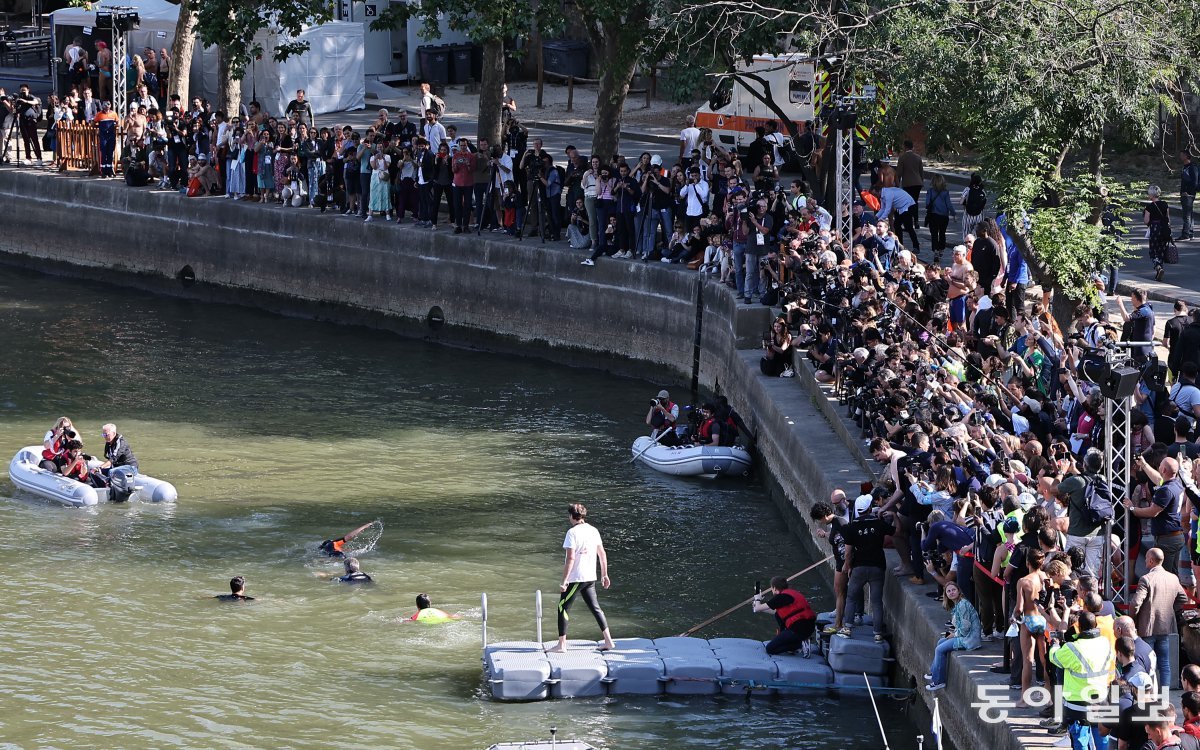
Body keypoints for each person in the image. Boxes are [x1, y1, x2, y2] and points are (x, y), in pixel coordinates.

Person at [550, 503, 616, 653]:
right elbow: (602, 554)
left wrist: (564, 580)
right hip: (590, 577)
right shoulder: (593, 530)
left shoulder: (572, 533)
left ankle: (561, 645)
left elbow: (571, 558)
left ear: (572, 517)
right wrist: (604, 574)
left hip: (576, 578)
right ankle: (608, 641)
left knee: (562, 608)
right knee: (595, 608)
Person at [1048, 610, 1115, 750]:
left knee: (1080, 740)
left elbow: (1054, 658)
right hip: (1101, 699)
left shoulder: (1072, 648)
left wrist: (1055, 644)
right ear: (1096, 625)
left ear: (1079, 627)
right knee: (1102, 736)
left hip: (1077, 704)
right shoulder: (1106, 643)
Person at [1130, 547, 1189, 689]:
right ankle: (1165, 696)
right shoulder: (1173, 578)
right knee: (1164, 663)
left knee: (1147, 663)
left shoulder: (1146, 579)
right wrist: (1170, 609)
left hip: (1147, 627)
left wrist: (1132, 619)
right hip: (1165, 626)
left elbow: (1136, 603)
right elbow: (1183, 598)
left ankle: (1150, 693)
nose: (1144, 561)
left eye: (1146, 559)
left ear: (1151, 560)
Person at [837, 489, 890, 642]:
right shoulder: (879, 524)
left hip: (859, 567)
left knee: (851, 597)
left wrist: (847, 566)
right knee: (876, 601)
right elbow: (896, 531)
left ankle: (847, 628)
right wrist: (893, 517)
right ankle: (878, 633)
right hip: (878, 566)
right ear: (869, 508)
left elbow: (848, 552)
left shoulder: (852, 527)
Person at [924, 581, 982, 691]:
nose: (951, 593)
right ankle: (934, 672)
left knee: (939, 650)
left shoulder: (963, 605)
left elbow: (965, 628)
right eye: (948, 591)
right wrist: (952, 634)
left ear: (959, 591)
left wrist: (954, 635)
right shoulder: (957, 604)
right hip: (964, 635)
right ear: (946, 594)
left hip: (969, 639)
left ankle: (939, 681)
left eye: (953, 590)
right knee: (940, 642)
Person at [752, 575, 817, 657]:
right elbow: (777, 612)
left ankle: (800, 644)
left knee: (770, 649)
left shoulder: (780, 597)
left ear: (774, 588)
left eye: (771, 588)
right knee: (778, 616)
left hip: (797, 629)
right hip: (808, 628)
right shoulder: (790, 594)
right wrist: (759, 607)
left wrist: (757, 598)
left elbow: (757, 608)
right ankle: (797, 644)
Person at [1145, 184, 1173, 280]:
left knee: (1153, 250)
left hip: (1155, 229)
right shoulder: (1165, 204)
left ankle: (1157, 266)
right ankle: (1159, 270)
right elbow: (1168, 218)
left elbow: (1146, 221)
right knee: (1161, 250)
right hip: (1164, 229)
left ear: (1151, 195)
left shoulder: (1149, 207)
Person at [1181, 151, 1198, 241]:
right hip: (1184, 194)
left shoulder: (1192, 167)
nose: (1180, 156)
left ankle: (1186, 234)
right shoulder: (1185, 167)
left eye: (1182, 155)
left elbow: (1194, 182)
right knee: (1189, 214)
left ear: (1187, 156)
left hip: (1189, 194)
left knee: (1187, 215)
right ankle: (1190, 233)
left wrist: (1189, 192)